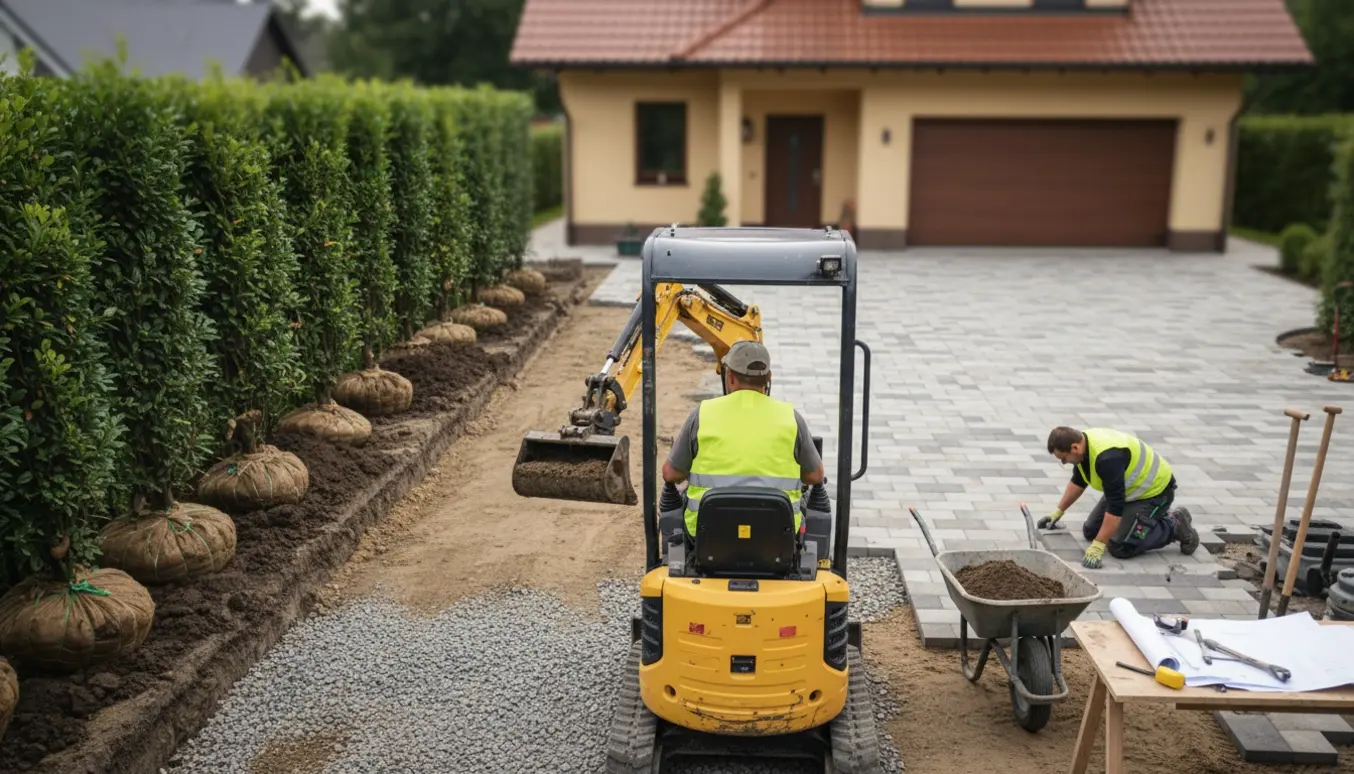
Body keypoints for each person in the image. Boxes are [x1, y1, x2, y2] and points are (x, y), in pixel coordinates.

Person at [662, 340, 825, 541]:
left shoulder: (703, 414)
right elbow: (816, 475)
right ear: (769, 378)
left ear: (730, 377)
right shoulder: (790, 417)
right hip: (777, 537)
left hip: (709, 536)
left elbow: (670, 473)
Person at [1042, 426, 1199, 569]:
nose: (1064, 462)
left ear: (1075, 447)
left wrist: (1098, 547)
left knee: (1120, 547)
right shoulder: (1083, 445)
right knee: (1091, 531)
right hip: (1128, 491)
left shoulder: (1107, 458)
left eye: (1063, 458)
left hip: (1154, 493)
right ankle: (1133, 522)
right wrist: (1058, 511)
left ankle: (1174, 524)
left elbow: (1115, 507)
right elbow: (1078, 481)